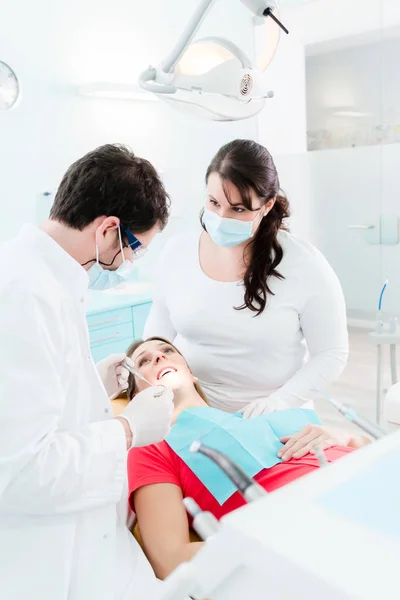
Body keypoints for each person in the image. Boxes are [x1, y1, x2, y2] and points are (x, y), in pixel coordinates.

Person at [0, 144, 175, 600]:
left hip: (92, 543)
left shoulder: (49, 277)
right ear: (108, 229)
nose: (131, 263)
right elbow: (19, 472)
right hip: (46, 558)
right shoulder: (24, 292)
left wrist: (89, 385)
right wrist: (127, 430)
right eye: (135, 249)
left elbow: (33, 402)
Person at [125, 337, 371, 579]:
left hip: (368, 481)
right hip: (329, 530)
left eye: (167, 350)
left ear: (192, 374)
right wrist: (289, 543)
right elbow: (171, 559)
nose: (159, 356)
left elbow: (369, 448)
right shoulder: (151, 448)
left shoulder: (257, 417)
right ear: (136, 398)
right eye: (144, 361)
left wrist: (346, 437)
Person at [144, 139, 348, 417]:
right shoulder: (176, 254)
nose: (221, 216)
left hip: (277, 418)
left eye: (238, 209)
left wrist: (280, 402)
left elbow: (332, 353)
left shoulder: (305, 265)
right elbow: (157, 338)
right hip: (193, 414)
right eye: (213, 202)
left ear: (267, 205)